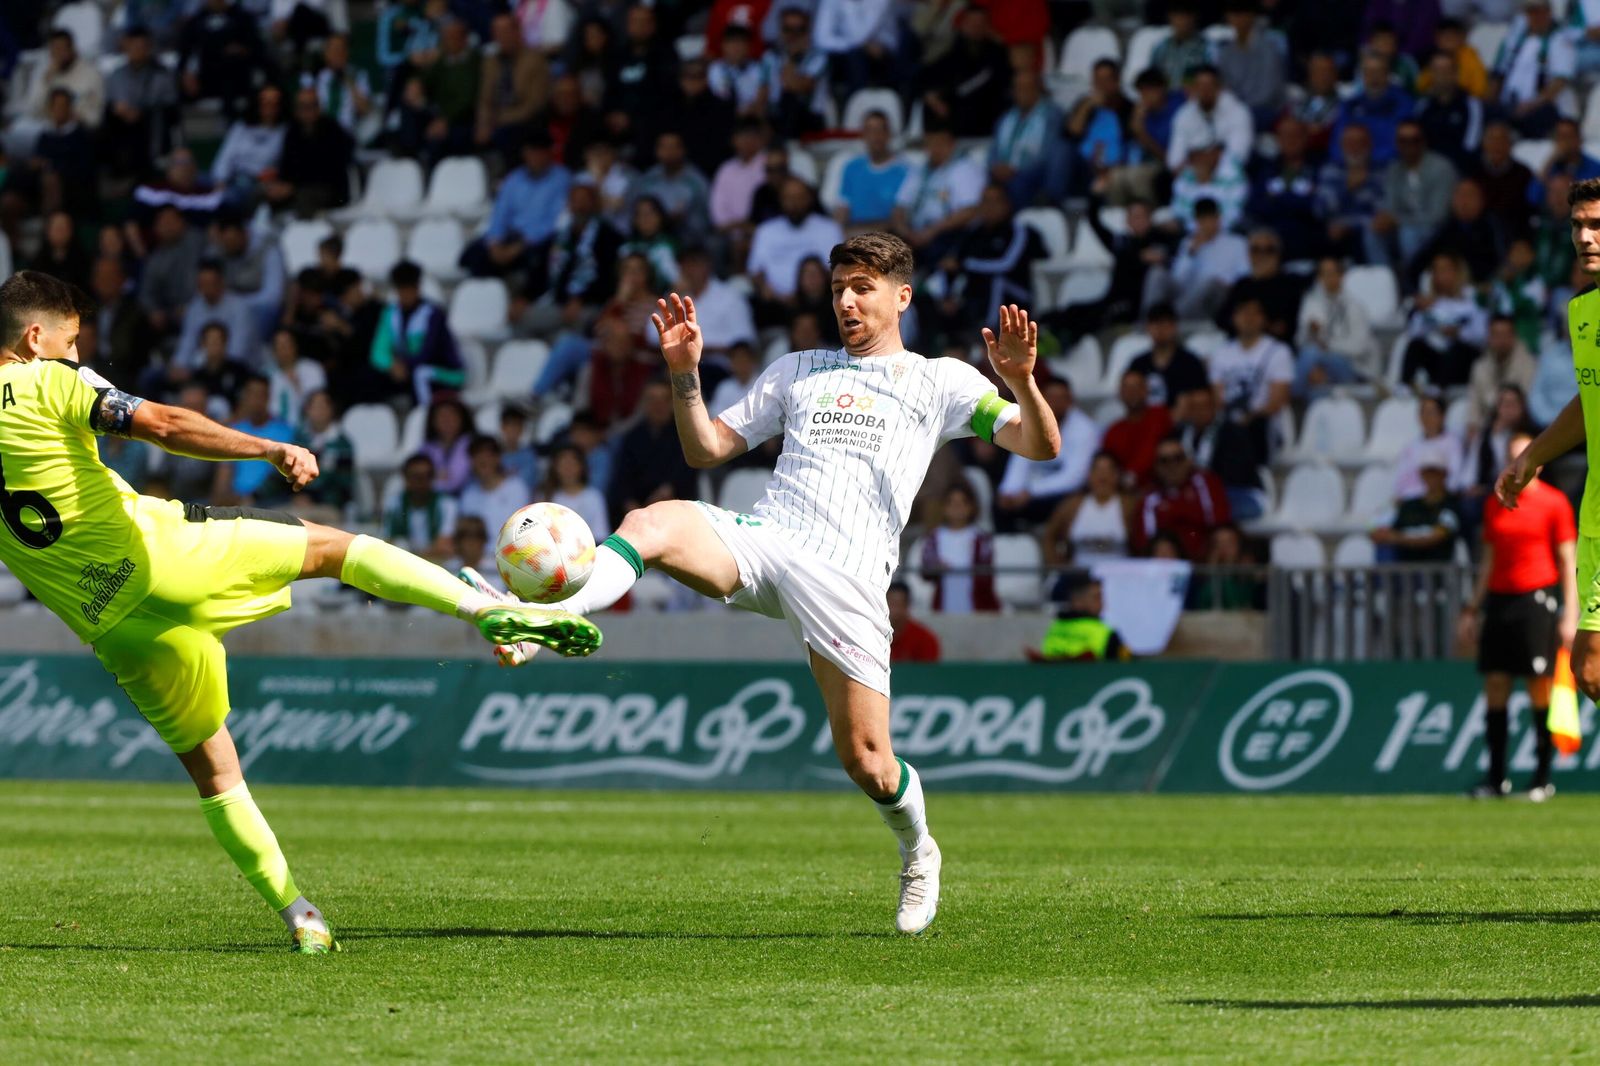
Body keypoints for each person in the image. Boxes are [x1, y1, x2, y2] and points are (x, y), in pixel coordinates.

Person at [460, 233, 1062, 935]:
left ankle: (918, 849)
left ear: (901, 296)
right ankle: (541, 619)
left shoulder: (942, 380)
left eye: (862, 287)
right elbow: (706, 448)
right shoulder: (798, 369)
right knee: (649, 523)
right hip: (769, 539)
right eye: (839, 287)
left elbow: (1039, 445)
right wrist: (685, 374)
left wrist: (1021, 379)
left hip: (850, 578)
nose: (846, 301)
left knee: (868, 763)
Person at [0, 271, 597, 953]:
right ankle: (480, 609)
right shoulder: (48, 381)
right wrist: (269, 446)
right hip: (165, 556)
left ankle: (299, 913)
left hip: (115, 629)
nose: (78, 358)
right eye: (71, 343)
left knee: (217, 775)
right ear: (35, 337)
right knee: (333, 549)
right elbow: (161, 423)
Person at [1463, 431, 1576, 799]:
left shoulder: (1555, 503)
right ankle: (1497, 778)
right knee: (1495, 684)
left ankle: (1542, 778)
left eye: (1522, 456)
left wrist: (1569, 613)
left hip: (1536, 599)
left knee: (1537, 686)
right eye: (1511, 457)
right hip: (1499, 599)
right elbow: (1489, 560)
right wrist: (1472, 607)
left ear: (1537, 462)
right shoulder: (1496, 502)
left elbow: (1567, 559)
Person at [994, 378, 1100, 532]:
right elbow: (1020, 461)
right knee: (1000, 505)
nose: (1055, 403)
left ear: (1070, 401)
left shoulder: (1085, 430)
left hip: (1062, 493)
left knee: (1061, 502)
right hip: (1030, 492)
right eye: (1051, 397)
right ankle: (1010, 549)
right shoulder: (1031, 421)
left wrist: (1030, 492)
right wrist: (1009, 492)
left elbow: (1074, 478)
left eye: (1061, 398)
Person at [1209, 297, 1294, 461]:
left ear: (1263, 319)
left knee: (1251, 430)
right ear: (1234, 318)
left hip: (1262, 423)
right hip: (1229, 421)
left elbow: (1278, 401)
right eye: (1243, 313)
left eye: (1254, 314)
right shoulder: (1221, 353)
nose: (1248, 318)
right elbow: (1217, 398)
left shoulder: (1278, 351)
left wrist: (1249, 417)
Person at [369, 261, 465, 406]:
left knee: (420, 374)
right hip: (406, 370)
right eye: (402, 289)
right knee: (371, 376)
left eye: (409, 289)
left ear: (418, 287)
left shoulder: (433, 314)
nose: (405, 294)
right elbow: (378, 352)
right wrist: (391, 365)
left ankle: (423, 415)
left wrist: (404, 365)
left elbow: (429, 353)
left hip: (441, 371)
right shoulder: (390, 313)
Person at [1400, 252, 1490, 388]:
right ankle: (1404, 387)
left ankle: (1439, 390)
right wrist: (1423, 312)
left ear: (1458, 272)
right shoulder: (1431, 302)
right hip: (1439, 360)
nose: (1440, 276)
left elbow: (1483, 335)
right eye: (1436, 271)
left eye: (1445, 270)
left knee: (1457, 350)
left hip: (1466, 360)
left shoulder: (1472, 298)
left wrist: (1459, 333)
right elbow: (1414, 334)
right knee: (1416, 346)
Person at [1138, 434, 1233, 559]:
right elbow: (1145, 543)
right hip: (1169, 566)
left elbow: (1220, 524)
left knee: (1224, 537)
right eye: (1164, 461)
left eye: (1178, 458)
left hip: (1206, 563)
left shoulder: (1206, 484)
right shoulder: (1150, 498)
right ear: (1156, 466)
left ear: (1189, 461)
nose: (1172, 465)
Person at [1490, 0, 1574, 138]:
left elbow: (1559, 81)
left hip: (1539, 106)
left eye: (1540, 12)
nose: (1536, 17)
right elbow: (1498, 73)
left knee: (1540, 116)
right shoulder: (1514, 39)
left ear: (1549, 13)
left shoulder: (1560, 39)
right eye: (1531, 12)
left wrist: (1532, 105)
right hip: (1508, 104)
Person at [918, 482, 999, 614]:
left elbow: (987, 574)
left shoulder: (980, 538)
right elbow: (925, 571)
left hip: (976, 604)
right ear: (944, 507)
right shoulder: (934, 537)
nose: (957, 508)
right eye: (952, 503)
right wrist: (936, 568)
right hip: (944, 601)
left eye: (962, 503)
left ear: (971, 507)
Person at [1042, 451, 1134, 568]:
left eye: (1108, 470)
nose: (1103, 476)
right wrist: (1059, 566)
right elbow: (1049, 537)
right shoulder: (1071, 505)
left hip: (1117, 577)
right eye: (1098, 470)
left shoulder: (1129, 505)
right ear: (1089, 475)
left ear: (1117, 475)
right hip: (1079, 576)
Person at [1026, 574, 1130, 662]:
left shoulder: (1055, 628)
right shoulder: (1107, 634)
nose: (1103, 602)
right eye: (1096, 597)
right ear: (1077, 601)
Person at [836, 110, 909, 232]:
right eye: (870, 131)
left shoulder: (904, 170)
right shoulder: (851, 168)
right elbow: (842, 210)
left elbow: (900, 218)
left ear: (888, 134)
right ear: (863, 135)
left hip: (887, 237)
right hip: (852, 234)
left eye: (880, 130)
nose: (875, 136)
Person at [1129, 304, 1210, 412]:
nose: (1160, 329)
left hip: (1180, 425)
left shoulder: (1190, 363)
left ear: (1174, 327)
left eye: (1164, 324)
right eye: (1155, 324)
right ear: (1147, 328)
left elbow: (1201, 399)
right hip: (1144, 425)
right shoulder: (1138, 364)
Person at [1101, 370, 1174, 488]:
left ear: (1146, 390)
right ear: (1120, 393)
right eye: (1127, 388)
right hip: (1123, 492)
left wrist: (1132, 475)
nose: (1132, 392)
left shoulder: (1160, 415)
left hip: (1161, 489)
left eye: (1136, 387)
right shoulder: (1113, 431)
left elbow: (1152, 448)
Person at [459, 435, 533, 535]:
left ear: (498, 458)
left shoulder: (517, 488)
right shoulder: (468, 495)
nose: (483, 460)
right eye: (477, 456)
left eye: (488, 455)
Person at [544, 443, 609, 539]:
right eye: (563, 464)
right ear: (555, 467)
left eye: (572, 463)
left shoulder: (593, 496)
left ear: (582, 467)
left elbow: (600, 535)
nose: (568, 469)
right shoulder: (546, 496)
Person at [887, 582, 940, 663]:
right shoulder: (873, 635)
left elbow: (929, 672)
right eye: (890, 604)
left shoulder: (925, 639)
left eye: (898, 604)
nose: (893, 610)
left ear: (907, 605)